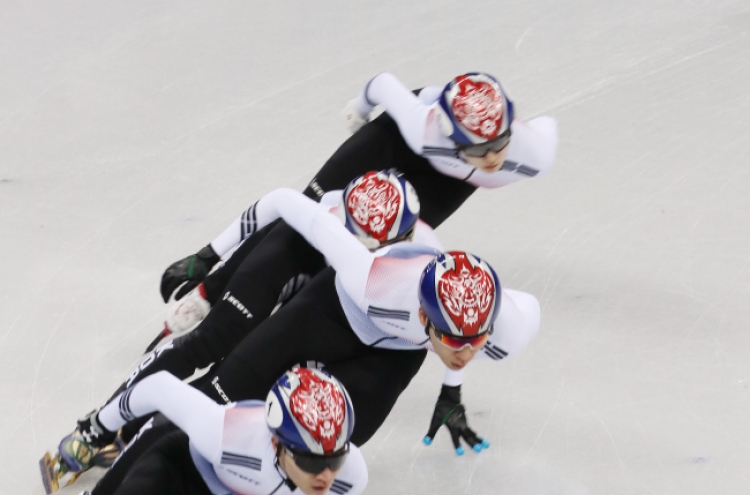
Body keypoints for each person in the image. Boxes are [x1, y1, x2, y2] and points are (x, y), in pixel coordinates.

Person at [153, 70, 556, 448]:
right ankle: (215, 288)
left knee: (367, 251)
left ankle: (262, 306)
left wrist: (452, 387)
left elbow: (465, 326)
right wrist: (359, 111)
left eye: (499, 142)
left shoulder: (531, 153)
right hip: (392, 141)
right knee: (312, 216)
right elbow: (382, 84)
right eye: (481, 146)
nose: (493, 156)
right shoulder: (421, 127)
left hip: (448, 179)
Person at [72, 186, 540, 495]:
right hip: (332, 312)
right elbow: (284, 200)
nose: (465, 350)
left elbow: (461, 339)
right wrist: (209, 258)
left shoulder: (503, 324)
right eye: (453, 338)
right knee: (222, 392)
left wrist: (451, 389)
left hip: (392, 356)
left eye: (476, 340)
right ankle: (123, 438)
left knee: (325, 447)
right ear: (422, 314)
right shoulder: (369, 277)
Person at [66, 367, 367, 495]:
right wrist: (97, 428)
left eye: (335, 460)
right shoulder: (227, 434)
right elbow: (159, 387)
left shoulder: (352, 478)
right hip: (185, 473)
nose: (326, 475)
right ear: (277, 443)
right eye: (312, 462)